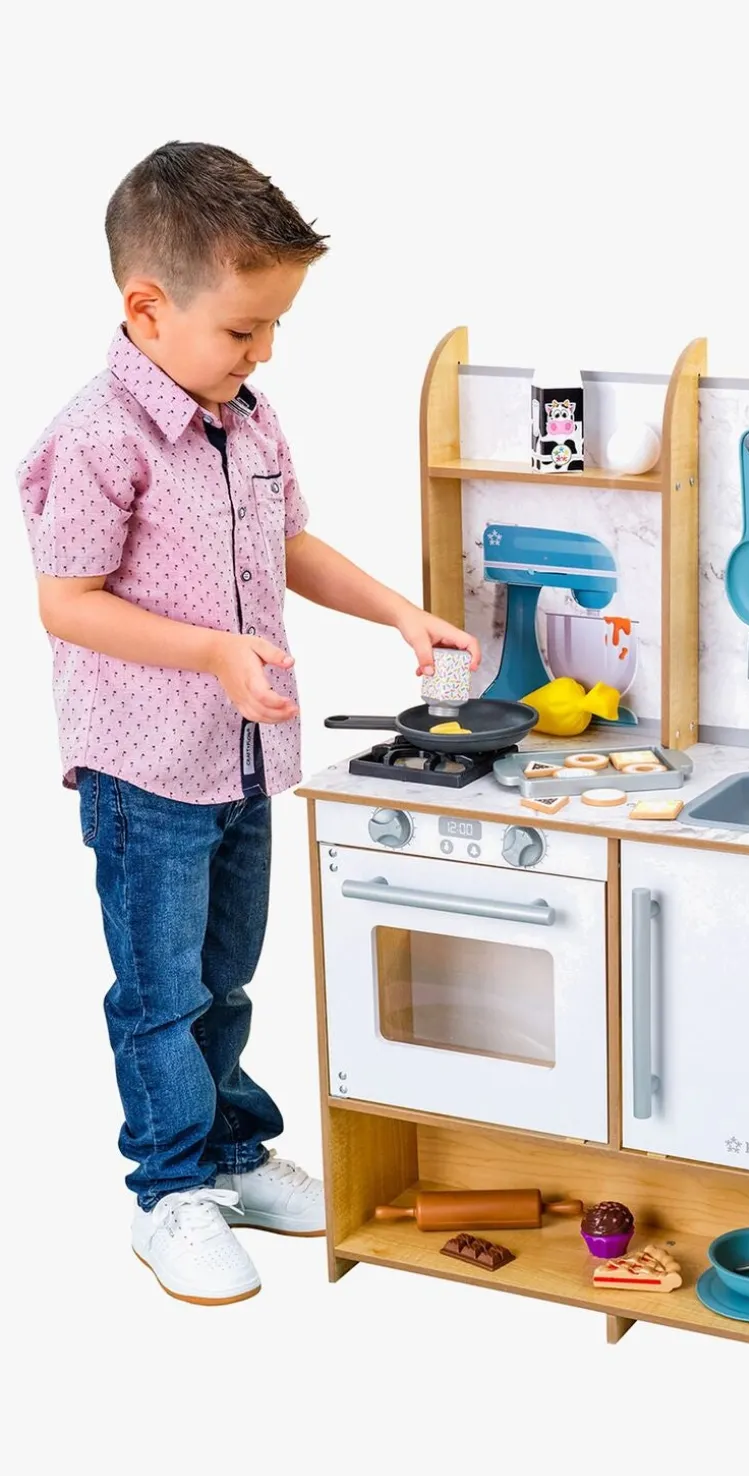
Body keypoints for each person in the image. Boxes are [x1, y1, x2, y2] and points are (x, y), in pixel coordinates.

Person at [16, 142, 480, 1306]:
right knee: (159, 992)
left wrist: (397, 610)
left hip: (241, 760)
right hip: (146, 772)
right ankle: (168, 1190)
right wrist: (214, 651)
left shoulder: (248, 419)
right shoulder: (96, 437)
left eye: (274, 325)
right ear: (147, 308)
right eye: (243, 327)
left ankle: (229, 1149)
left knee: (225, 979)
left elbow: (288, 545)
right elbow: (67, 601)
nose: (263, 349)